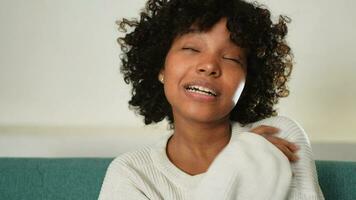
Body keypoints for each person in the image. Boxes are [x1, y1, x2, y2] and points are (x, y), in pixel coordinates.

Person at [99, 0, 324, 199]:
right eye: (191, 48)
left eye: (231, 58)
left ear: (248, 81)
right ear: (161, 68)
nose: (209, 66)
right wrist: (236, 165)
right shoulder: (131, 174)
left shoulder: (277, 136)